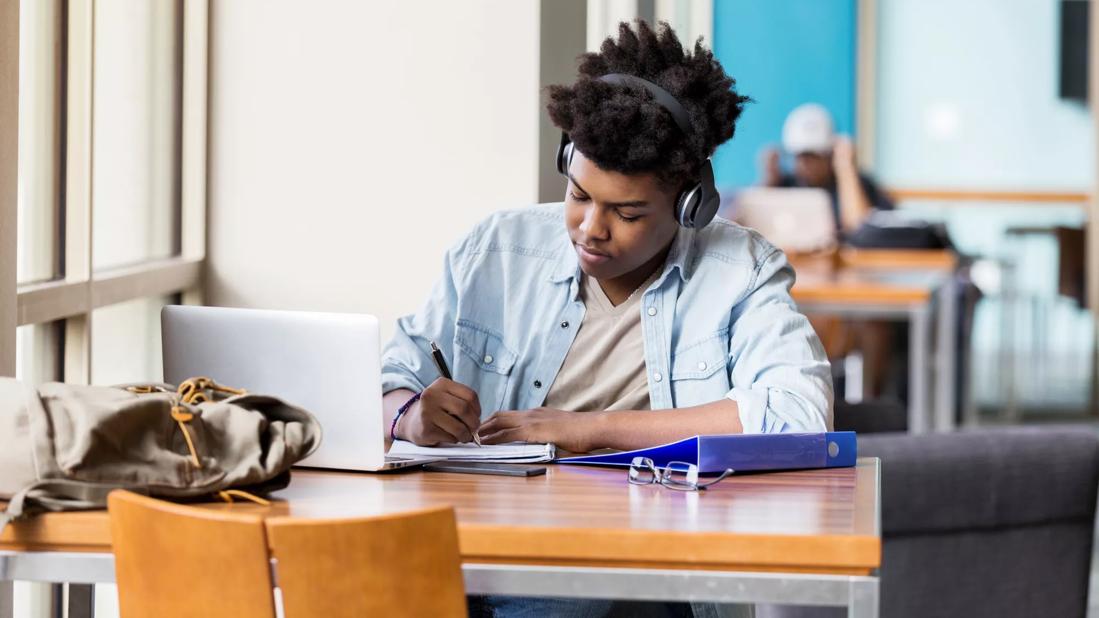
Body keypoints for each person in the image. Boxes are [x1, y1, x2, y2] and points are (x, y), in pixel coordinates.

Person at [380, 22, 832, 615]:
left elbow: (796, 416)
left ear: (690, 203)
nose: (591, 228)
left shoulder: (739, 272)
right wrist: (410, 415)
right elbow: (390, 376)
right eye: (578, 195)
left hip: (627, 565)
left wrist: (582, 430)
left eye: (627, 211)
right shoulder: (496, 249)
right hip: (471, 544)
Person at [760, 103, 892, 234]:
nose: (806, 164)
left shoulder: (860, 185)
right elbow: (757, 227)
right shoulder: (785, 185)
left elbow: (862, 231)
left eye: (814, 156)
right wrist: (769, 181)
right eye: (800, 156)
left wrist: (846, 169)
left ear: (831, 154)